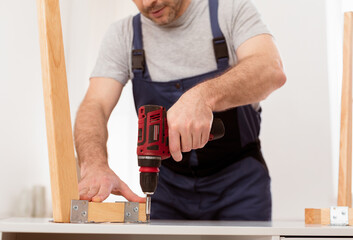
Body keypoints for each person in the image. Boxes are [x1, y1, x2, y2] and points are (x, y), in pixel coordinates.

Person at [74, 0, 286, 220]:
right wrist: (94, 164)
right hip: (166, 189)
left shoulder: (230, 10)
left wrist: (203, 96)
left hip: (239, 186)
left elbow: (271, 69)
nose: (147, 3)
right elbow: (95, 104)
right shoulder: (124, 34)